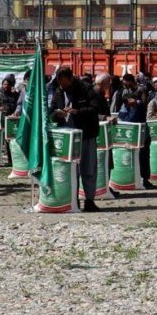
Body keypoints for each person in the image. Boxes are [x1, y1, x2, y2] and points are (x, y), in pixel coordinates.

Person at [50, 68, 101, 212]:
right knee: (70, 171)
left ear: (70, 78)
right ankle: (73, 200)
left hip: (85, 135)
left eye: (63, 82)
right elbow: (51, 111)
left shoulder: (85, 89)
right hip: (67, 138)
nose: (61, 85)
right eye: (59, 83)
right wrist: (57, 114)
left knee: (88, 169)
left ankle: (89, 201)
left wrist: (78, 112)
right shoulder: (58, 91)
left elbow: (95, 109)